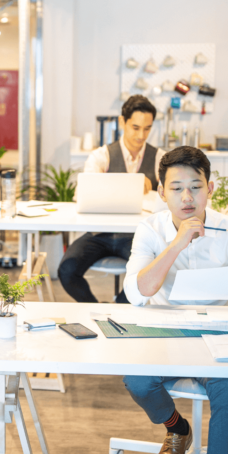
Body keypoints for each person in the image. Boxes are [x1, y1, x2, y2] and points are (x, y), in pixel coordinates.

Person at [121, 147, 228, 454]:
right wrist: (178, 242)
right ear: (161, 192)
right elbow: (137, 292)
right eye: (176, 188)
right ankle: (177, 428)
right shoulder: (150, 229)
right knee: (137, 381)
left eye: (195, 187)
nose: (187, 198)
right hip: (162, 331)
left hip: (216, 335)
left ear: (210, 189)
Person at [58, 95, 164, 303]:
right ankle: (95, 309)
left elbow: (170, 198)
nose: (141, 135)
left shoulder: (160, 158)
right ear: (122, 122)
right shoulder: (101, 157)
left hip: (136, 235)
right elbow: (82, 195)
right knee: (67, 270)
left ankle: (119, 308)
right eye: (135, 127)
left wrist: (156, 189)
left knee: (148, 272)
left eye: (147, 128)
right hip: (99, 233)